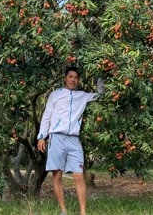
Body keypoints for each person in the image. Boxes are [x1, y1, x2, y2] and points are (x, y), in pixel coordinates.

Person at [37, 66, 104, 215]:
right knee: (57, 175)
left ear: (78, 80)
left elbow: (100, 95)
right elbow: (46, 116)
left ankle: (83, 212)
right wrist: (41, 137)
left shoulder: (83, 96)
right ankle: (63, 210)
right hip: (56, 137)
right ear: (65, 78)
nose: (73, 80)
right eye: (70, 77)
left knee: (79, 175)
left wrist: (100, 76)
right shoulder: (55, 95)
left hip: (74, 139)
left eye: (76, 77)